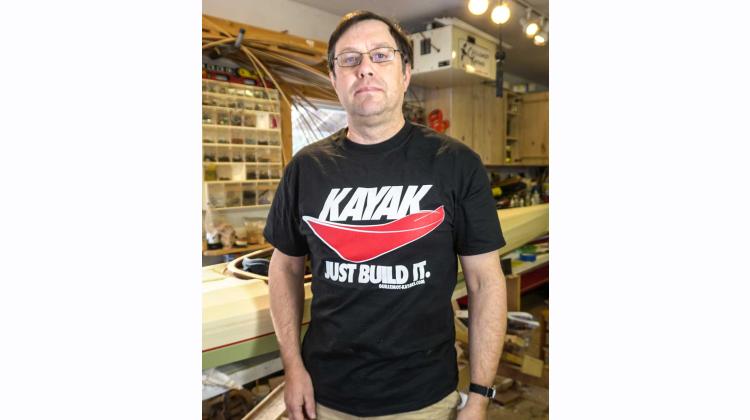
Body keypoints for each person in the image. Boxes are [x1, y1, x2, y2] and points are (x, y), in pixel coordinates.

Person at [264, 10, 507, 420]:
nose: (365, 69)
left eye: (380, 55)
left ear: (406, 73)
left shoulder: (456, 164)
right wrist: (292, 367)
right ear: (334, 78)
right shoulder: (306, 168)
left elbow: (486, 282)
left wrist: (480, 394)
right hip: (324, 395)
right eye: (350, 59)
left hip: (424, 399)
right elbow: (284, 268)